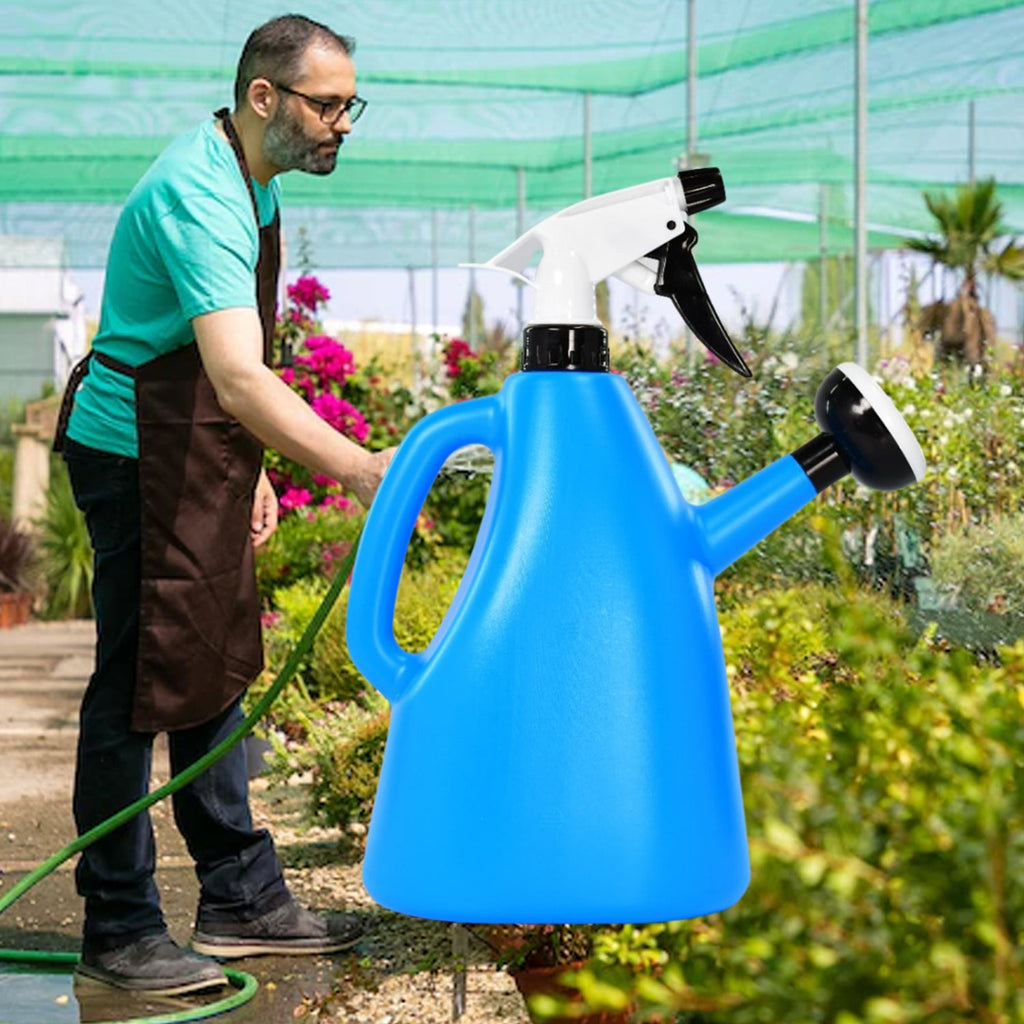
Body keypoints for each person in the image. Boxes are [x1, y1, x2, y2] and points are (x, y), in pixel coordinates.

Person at [53, 14, 393, 997]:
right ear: (262, 96)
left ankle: (240, 898)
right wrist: (359, 469)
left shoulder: (254, 178)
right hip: (137, 450)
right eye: (327, 105)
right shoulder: (199, 192)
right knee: (137, 683)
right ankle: (119, 927)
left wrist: (249, 471)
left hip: (193, 442)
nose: (341, 124)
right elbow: (240, 379)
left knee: (215, 659)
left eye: (350, 106)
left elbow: (227, 359)